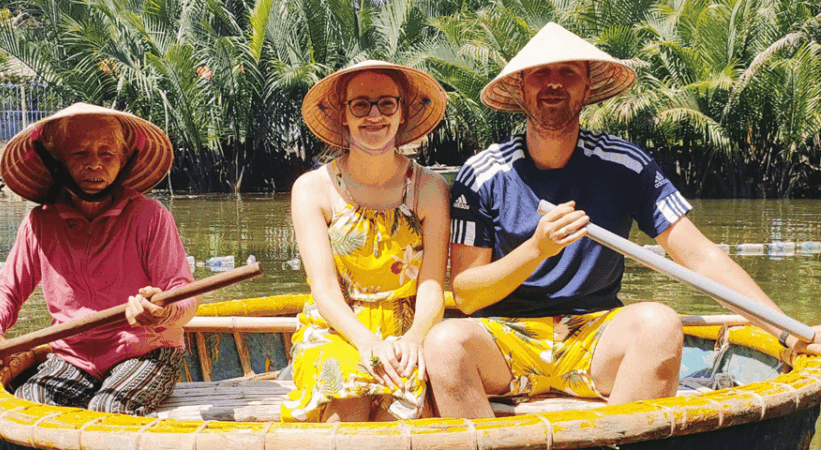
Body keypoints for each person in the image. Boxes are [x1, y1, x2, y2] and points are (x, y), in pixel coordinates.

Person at [423, 22, 821, 419]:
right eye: (540, 73)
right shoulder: (483, 174)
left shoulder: (624, 164)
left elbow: (700, 258)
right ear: (521, 87)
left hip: (595, 335)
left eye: (568, 72)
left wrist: (787, 331)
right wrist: (536, 249)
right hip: (506, 338)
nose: (554, 84)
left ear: (586, 87)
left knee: (660, 324)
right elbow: (468, 294)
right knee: (444, 344)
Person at [0, 103, 198, 447]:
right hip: (74, 356)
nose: (95, 163)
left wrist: (162, 309)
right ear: (55, 160)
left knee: (107, 409)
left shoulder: (150, 216)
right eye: (80, 153)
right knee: (27, 408)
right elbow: (8, 291)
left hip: (147, 352)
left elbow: (184, 293)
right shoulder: (40, 224)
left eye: (107, 153)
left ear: (124, 159)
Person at [281, 60, 450, 422]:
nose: (374, 116)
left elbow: (432, 285)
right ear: (343, 114)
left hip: (407, 327)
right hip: (337, 327)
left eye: (386, 103)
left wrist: (416, 338)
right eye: (360, 105)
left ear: (402, 112)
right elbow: (324, 289)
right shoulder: (312, 189)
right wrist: (367, 342)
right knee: (350, 382)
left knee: (407, 391)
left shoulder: (430, 188)